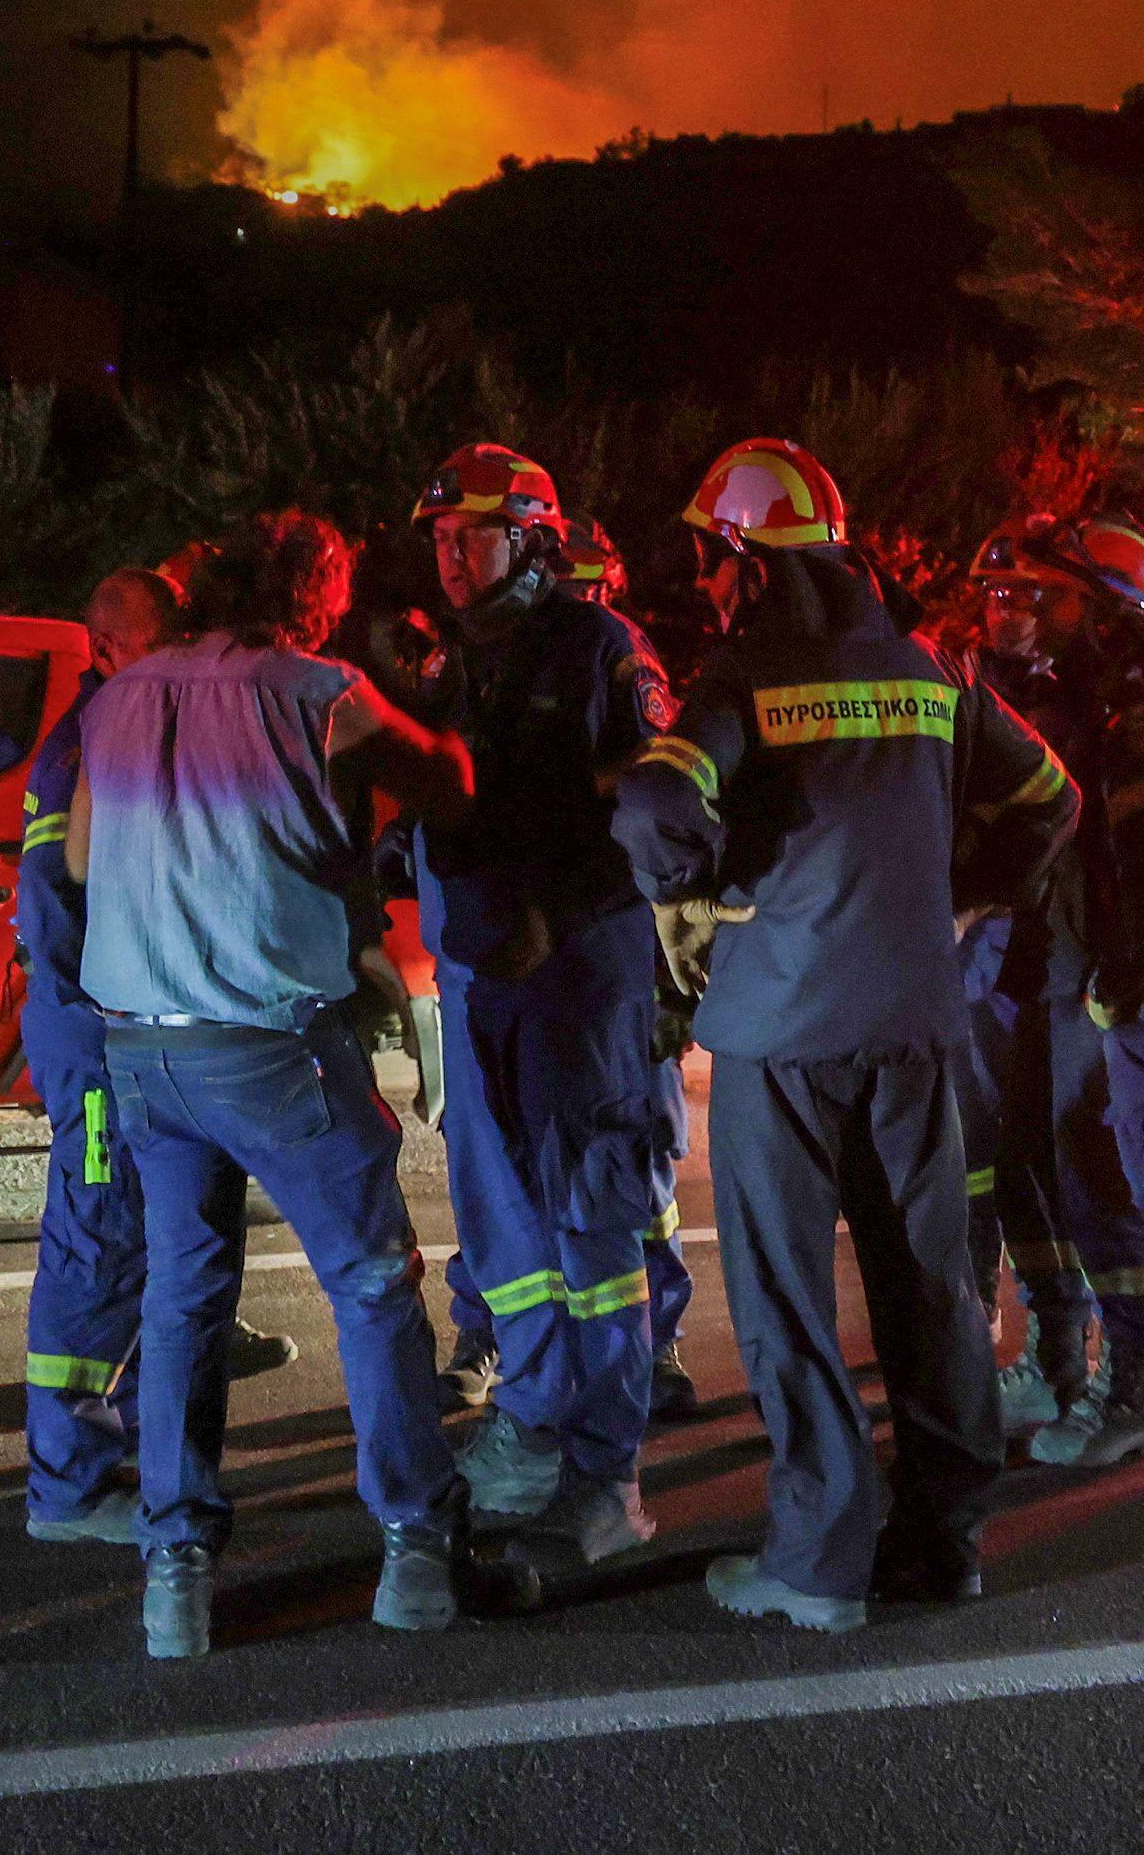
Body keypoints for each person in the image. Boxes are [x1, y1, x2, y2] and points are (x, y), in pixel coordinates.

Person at [615, 439, 1076, 1632]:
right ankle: (944, 1542)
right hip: (918, 1025)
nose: (709, 586)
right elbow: (1052, 800)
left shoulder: (744, 675)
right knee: (926, 1284)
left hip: (781, 1032)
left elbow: (659, 801)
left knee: (787, 1298)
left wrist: (693, 890)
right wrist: (959, 888)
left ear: (750, 564)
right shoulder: (932, 671)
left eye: (716, 562)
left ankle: (819, 1562)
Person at [69, 509, 513, 1659]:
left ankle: (175, 1570)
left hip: (145, 1048)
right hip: (273, 1048)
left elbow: (76, 859)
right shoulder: (317, 690)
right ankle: (417, 1545)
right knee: (369, 1288)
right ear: (310, 597)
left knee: (181, 1298)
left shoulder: (116, 699)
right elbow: (449, 783)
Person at [405, 446, 682, 1563]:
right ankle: (535, 1419)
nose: (452, 559)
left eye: (471, 535)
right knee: (515, 1225)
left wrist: (556, 912)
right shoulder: (459, 665)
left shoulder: (600, 650)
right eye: (439, 539)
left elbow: (661, 805)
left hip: (580, 980)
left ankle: (607, 1477)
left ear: (532, 539)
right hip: (492, 983)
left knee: (596, 1221)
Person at [18, 566, 299, 1544]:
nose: (179, 653)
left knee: (141, 1230)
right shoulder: (90, 748)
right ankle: (68, 1483)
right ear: (103, 651)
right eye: (157, 637)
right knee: (95, 1240)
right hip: (99, 1039)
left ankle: (138, 1434)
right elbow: (76, 900)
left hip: (130, 1026)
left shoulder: (129, 728)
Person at [1005, 513, 1144, 1470]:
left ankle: (1133, 1394)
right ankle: (1079, 1368)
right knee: (1065, 1174)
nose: (1037, 613)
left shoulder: (1139, 726)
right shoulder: (1092, 708)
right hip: (1082, 978)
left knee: (1110, 1182)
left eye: (1056, 597)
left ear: (1107, 613)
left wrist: (1116, 989)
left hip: (1117, 994)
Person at [957, 519, 1102, 1435]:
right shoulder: (973, 684)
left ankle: (1061, 1359)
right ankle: (987, 1337)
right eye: (992, 595)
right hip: (984, 959)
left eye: (1018, 596)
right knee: (980, 1160)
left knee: (1035, 1165)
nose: (999, 611)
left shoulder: (1072, 706)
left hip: (1040, 960)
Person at [563, 517, 703, 1421]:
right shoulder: (508, 660)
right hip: (551, 947)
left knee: (637, 1154)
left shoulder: (623, 659)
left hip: (620, 930)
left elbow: (657, 784)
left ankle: (660, 1350)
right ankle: (506, 1338)